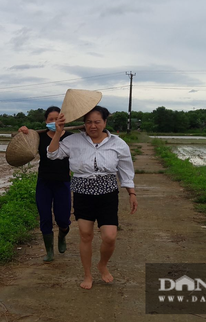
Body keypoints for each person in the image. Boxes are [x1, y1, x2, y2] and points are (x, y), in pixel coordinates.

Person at [47, 105, 138, 289]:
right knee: (86, 235)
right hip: (83, 193)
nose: (93, 126)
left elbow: (126, 170)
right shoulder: (74, 141)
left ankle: (102, 264)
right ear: (84, 124)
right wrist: (58, 133)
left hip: (107, 193)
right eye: (89, 122)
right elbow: (53, 154)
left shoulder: (118, 143)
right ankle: (87, 275)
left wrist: (131, 193)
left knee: (110, 236)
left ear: (105, 122)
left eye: (97, 122)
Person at [19, 106, 74, 262]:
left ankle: (63, 234)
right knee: (44, 216)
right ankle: (49, 251)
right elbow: (24, 143)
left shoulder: (70, 137)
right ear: (46, 121)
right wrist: (24, 132)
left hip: (63, 182)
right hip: (44, 182)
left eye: (57, 119)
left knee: (63, 218)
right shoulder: (39, 137)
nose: (54, 122)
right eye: (51, 119)